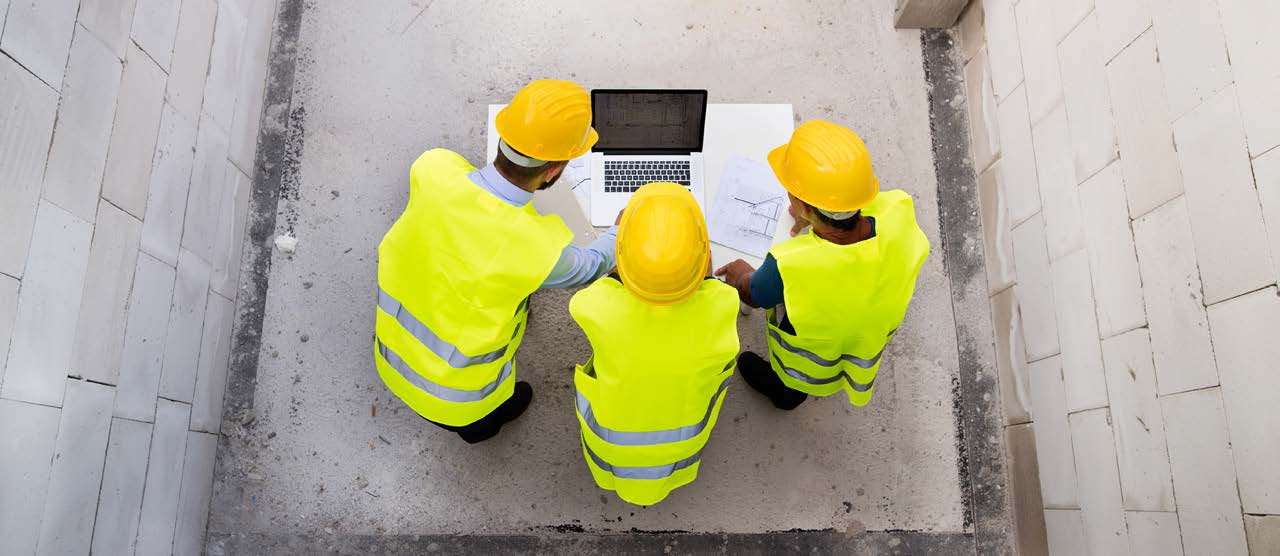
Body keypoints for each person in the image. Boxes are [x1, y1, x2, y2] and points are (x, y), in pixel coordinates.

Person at [374, 80, 619, 443]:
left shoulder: (432, 168)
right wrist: (622, 230)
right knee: (479, 426)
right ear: (553, 171)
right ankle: (485, 426)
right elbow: (593, 264)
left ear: (503, 136)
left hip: (390, 360)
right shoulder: (538, 250)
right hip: (459, 401)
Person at [715, 120, 929, 410]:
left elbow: (754, 294)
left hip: (818, 347)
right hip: (868, 320)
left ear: (802, 206)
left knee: (791, 382)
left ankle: (785, 394)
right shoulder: (899, 210)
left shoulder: (792, 266)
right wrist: (815, 215)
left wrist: (742, 276)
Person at [569, 182, 740, 505]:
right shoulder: (722, 304)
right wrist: (697, 268)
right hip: (680, 451)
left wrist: (622, 245)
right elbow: (713, 290)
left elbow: (604, 286)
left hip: (608, 449)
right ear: (704, 256)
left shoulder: (595, 304)